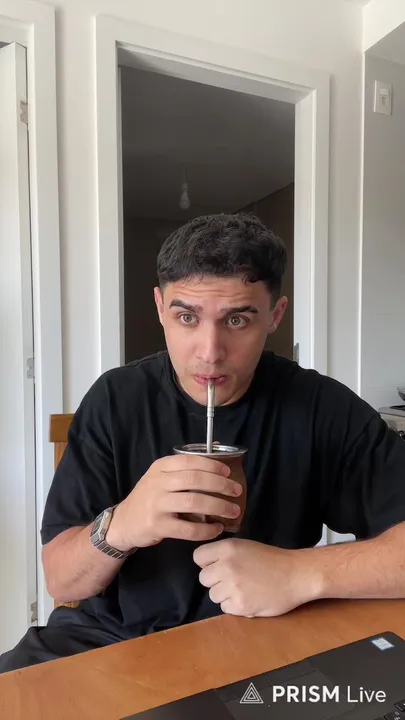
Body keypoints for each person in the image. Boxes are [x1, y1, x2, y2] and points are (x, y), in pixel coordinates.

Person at [2, 212, 405, 674]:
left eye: (237, 319)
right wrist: (122, 525)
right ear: (160, 308)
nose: (210, 352)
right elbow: (62, 581)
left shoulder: (321, 407)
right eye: (187, 317)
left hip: (261, 638)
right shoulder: (115, 399)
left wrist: (300, 573)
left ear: (275, 315)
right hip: (110, 641)